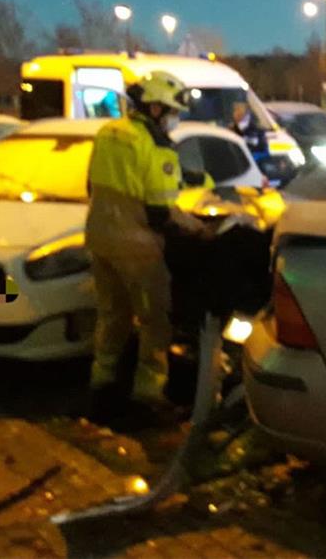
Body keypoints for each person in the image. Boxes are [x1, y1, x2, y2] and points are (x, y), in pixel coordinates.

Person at [84, 71, 210, 421]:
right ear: (154, 108)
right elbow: (161, 214)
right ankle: (149, 393)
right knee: (156, 321)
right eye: (172, 111)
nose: (174, 119)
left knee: (112, 316)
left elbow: (91, 186)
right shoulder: (157, 148)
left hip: (98, 238)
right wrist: (199, 229)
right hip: (137, 248)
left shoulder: (108, 133)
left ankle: (102, 385)